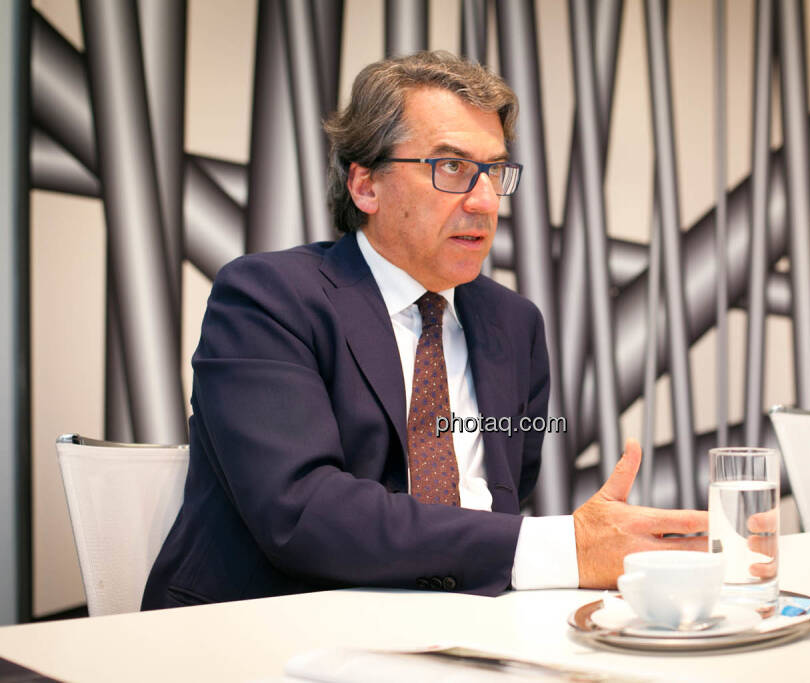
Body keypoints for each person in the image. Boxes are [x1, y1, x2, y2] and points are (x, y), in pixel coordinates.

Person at [142, 51, 706, 609]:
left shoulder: (514, 324)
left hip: (466, 623)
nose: (484, 201)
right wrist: (565, 548)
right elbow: (302, 512)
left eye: (494, 172)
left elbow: (500, 502)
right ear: (366, 185)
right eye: (451, 167)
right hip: (267, 627)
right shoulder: (269, 297)